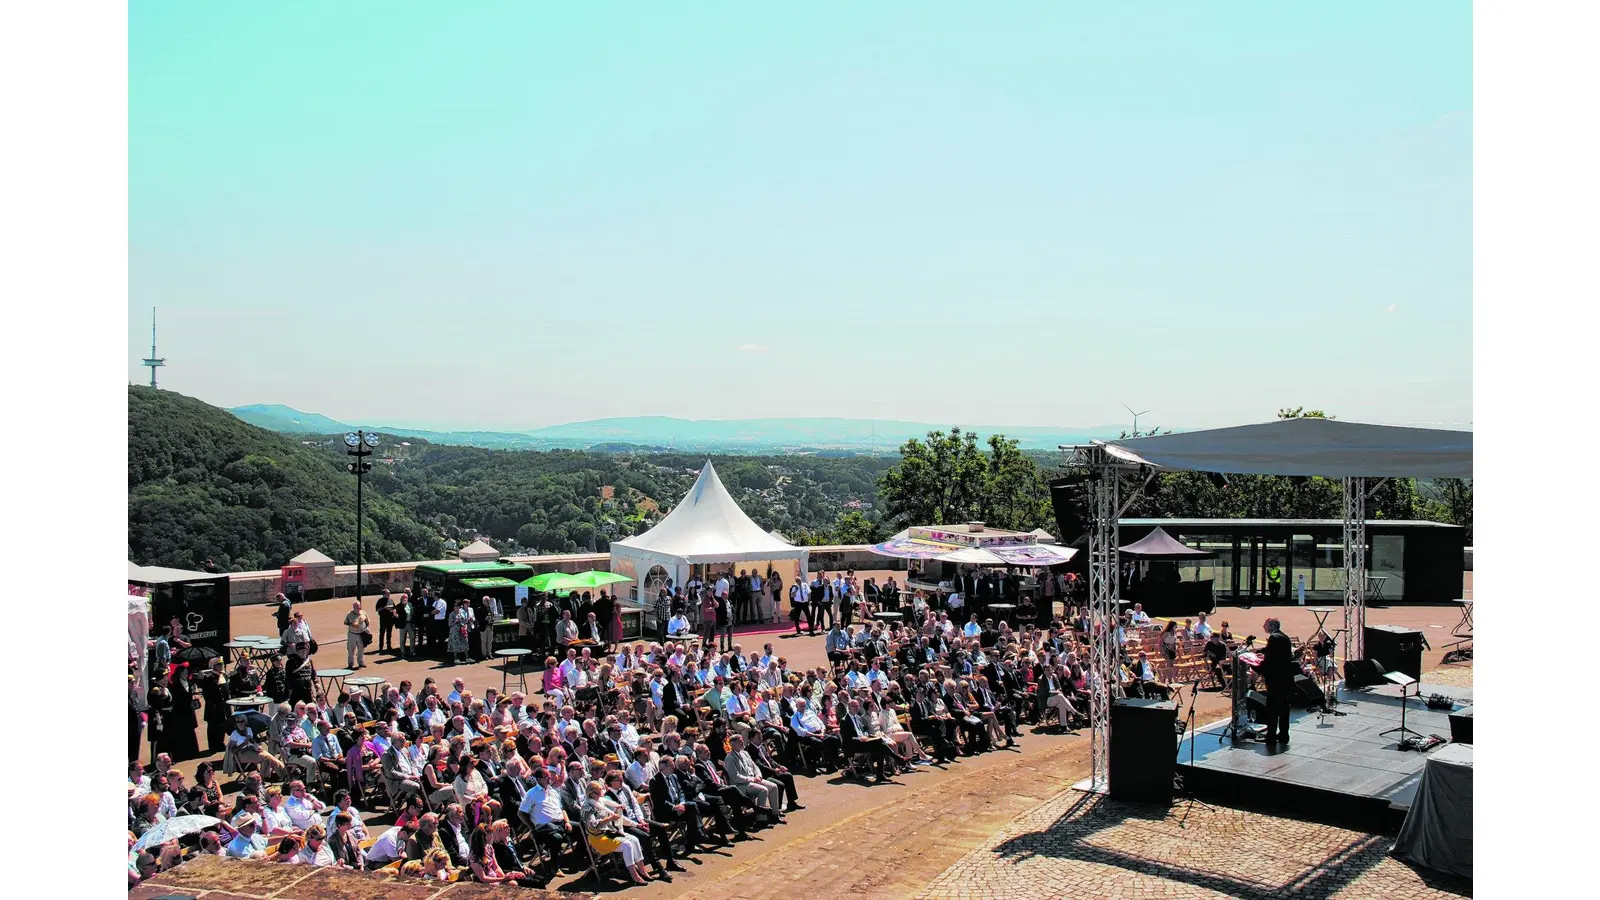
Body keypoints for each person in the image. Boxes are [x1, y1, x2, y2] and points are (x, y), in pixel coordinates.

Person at [581, 779, 654, 885]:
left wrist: (617, 810)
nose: (601, 795)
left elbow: (615, 812)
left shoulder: (600, 801)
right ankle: (634, 875)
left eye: (601, 792)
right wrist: (609, 819)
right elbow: (593, 826)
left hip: (609, 832)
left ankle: (642, 870)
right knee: (627, 845)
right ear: (591, 793)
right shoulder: (587, 807)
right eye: (598, 792)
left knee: (634, 839)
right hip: (598, 838)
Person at [1261, 617, 1295, 746]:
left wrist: (1257, 667)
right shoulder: (1284, 637)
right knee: (1284, 709)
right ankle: (1283, 734)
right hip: (1286, 679)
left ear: (1271, 625)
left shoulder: (1273, 638)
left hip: (1276, 680)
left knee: (1273, 710)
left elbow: (1270, 659)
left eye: (1265, 624)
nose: (1263, 627)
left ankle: (1270, 736)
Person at [448, 599, 474, 665]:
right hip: (455, 631)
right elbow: (450, 624)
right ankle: (456, 659)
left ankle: (467, 658)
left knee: (465, 643)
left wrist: (467, 620)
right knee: (455, 644)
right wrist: (456, 621)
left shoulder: (462, 612)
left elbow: (465, 620)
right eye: (455, 606)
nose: (456, 607)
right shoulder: (452, 614)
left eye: (458, 606)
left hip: (462, 630)